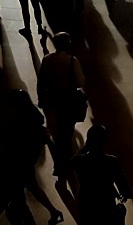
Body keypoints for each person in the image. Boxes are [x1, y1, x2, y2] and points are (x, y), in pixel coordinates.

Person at [0, 91, 64, 225]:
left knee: (1, 204)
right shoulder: (35, 122)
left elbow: (5, 139)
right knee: (26, 193)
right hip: (25, 166)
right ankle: (53, 212)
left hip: (11, 167)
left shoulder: (17, 124)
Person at [37, 32, 85, 179]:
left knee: (58, 130)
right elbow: (80, 82)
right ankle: (65, 162)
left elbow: (42, 81)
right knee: (67, 130)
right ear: (68, 43)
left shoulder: (47, 59)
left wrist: (41, 98)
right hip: (68, 99)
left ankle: (60, 163)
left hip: (53, 98)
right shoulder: (72, 61)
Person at [72, 125, 133, 224]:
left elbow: (71, 162)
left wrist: (85, 148)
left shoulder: (79, 161)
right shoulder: (112, 161)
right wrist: (123, 194)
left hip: (86, 205)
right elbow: (123, 187)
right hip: (107, 206)